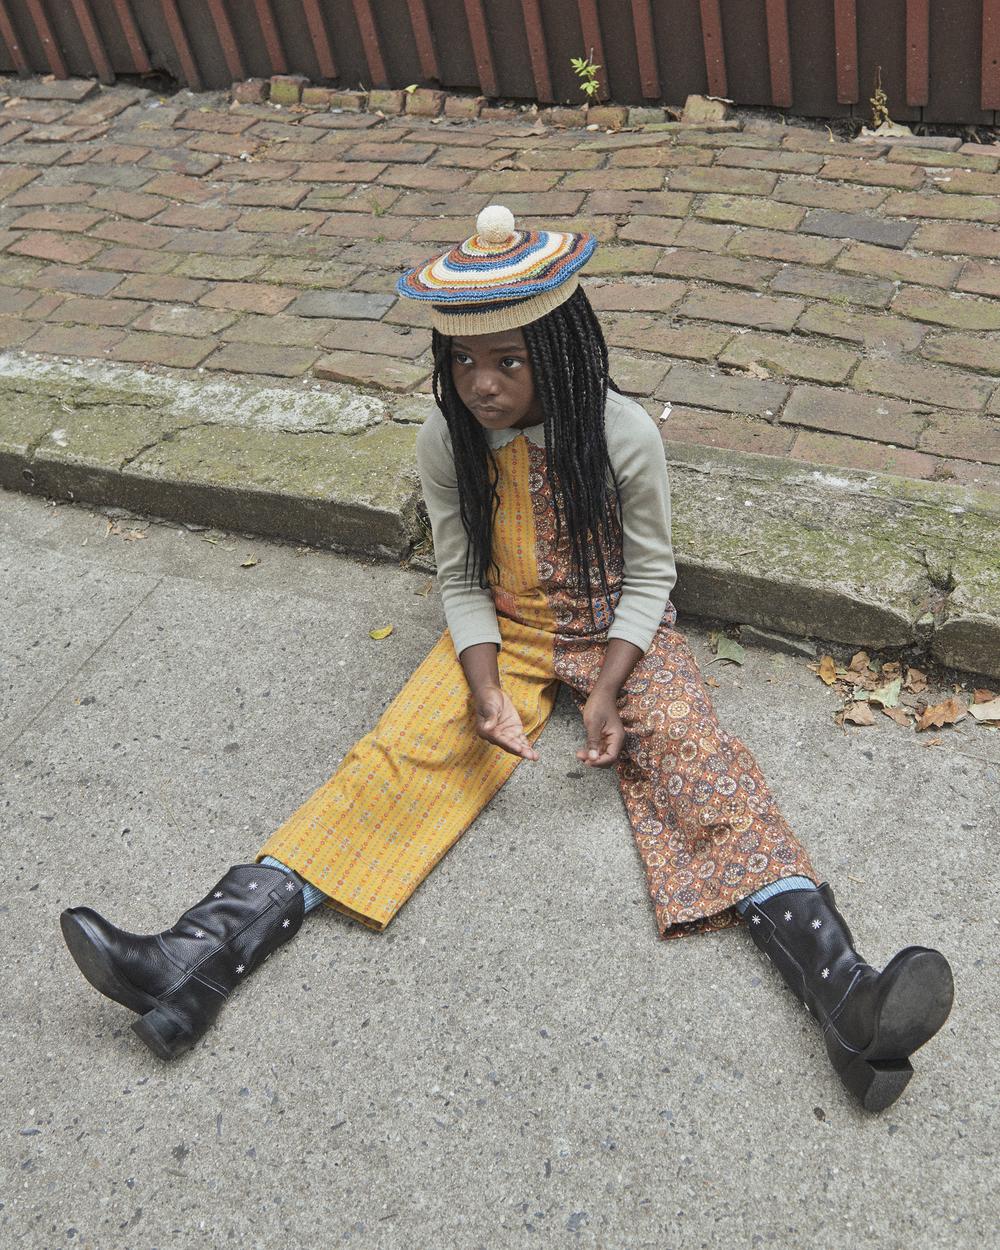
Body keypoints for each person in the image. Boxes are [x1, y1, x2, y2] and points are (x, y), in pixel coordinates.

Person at [60, 206, 953, 1112]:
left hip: (621, 631)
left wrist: (609, 688)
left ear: (560, 350)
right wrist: (483, 689)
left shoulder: (621, 435)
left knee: (701, 762)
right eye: (462, 362)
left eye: (508, 362)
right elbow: (459, 580)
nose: (481, 384)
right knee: (399, 753)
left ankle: (849, 998)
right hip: (508, 629)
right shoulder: (446, 442)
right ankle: (192, 960)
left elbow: (651, 577)